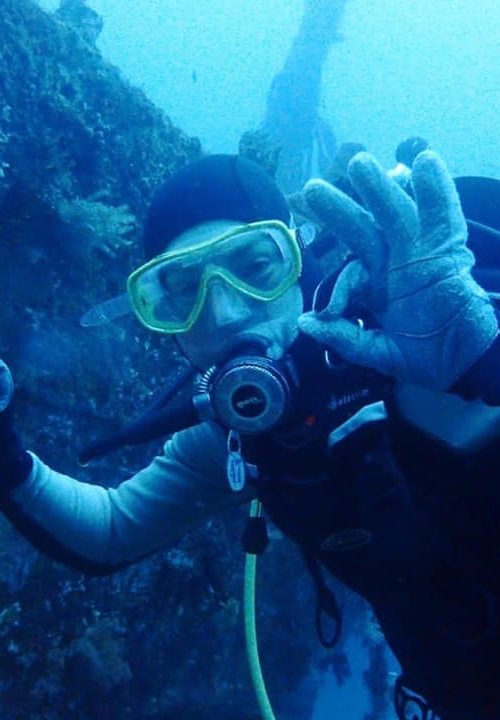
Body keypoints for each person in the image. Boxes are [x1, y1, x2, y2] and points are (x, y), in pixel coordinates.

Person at [1, 149, 500, 720]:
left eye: (257, 266)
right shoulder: (235, 438)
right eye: (183, 289)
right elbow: (111, 531)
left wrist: (488, 362)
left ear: (298, 260)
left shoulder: (426, 345)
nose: (224, 313)